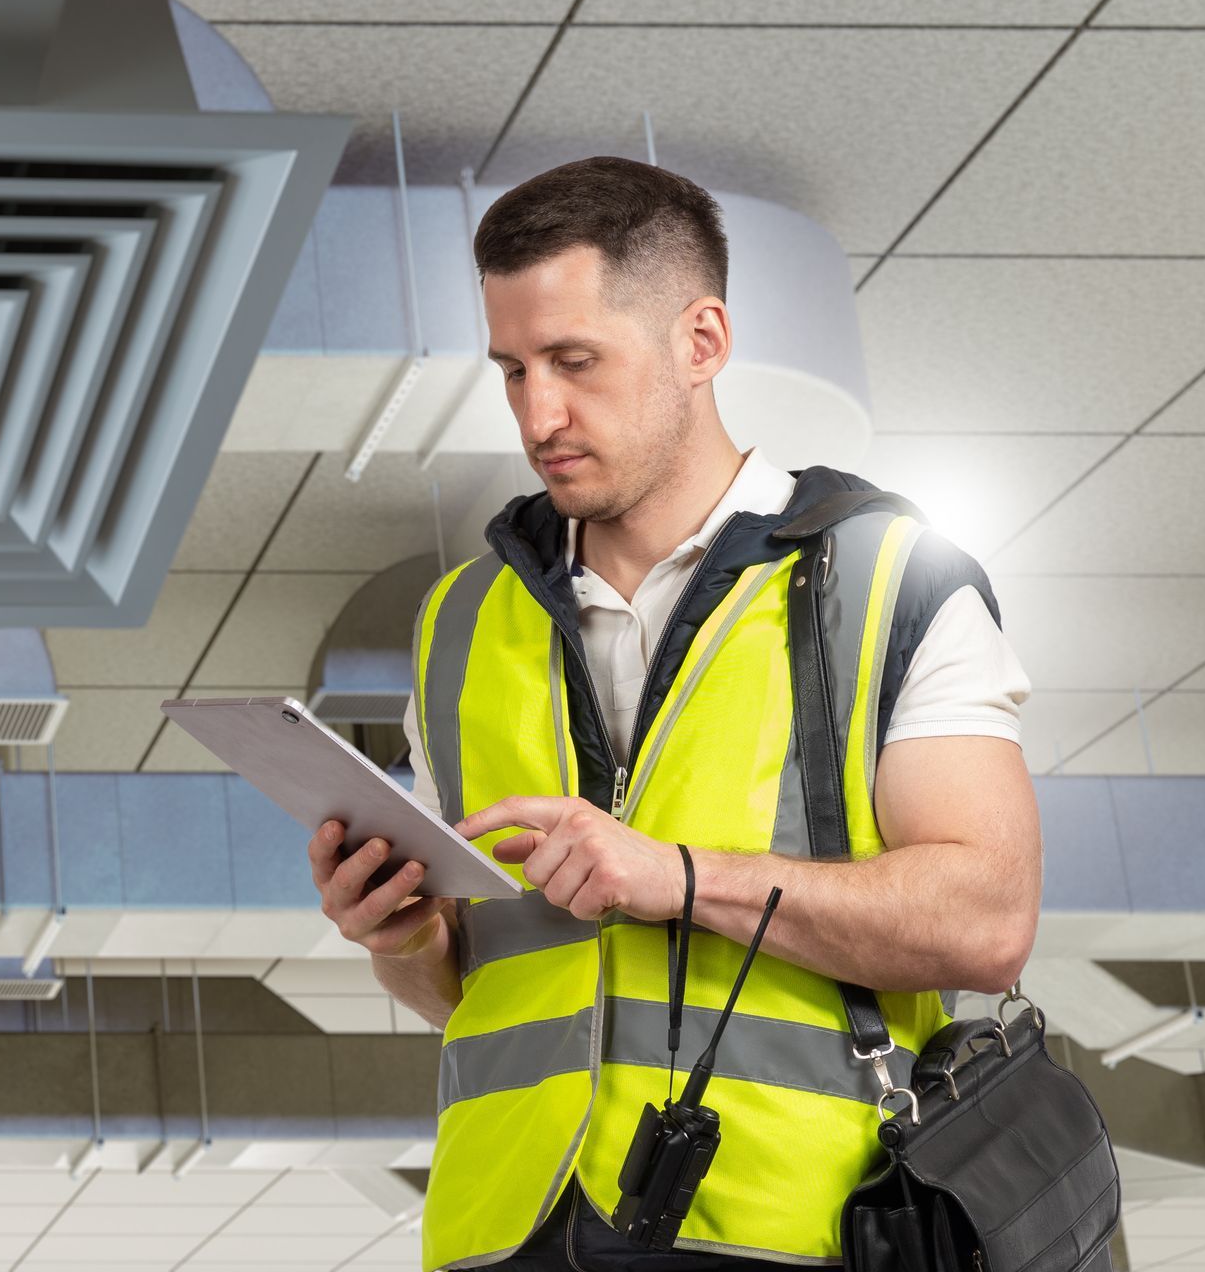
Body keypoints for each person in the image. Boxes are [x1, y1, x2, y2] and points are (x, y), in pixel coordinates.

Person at [304, 157, 1042, 1271]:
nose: (537, 412)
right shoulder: (460, 621)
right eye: (511, 370)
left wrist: (676, 876)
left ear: (701, 342)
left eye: (574, 361)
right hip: (507, 1232)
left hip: (795, 1228)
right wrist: (402, 934)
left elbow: (987, 919)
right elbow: (459, 989)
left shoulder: (891, 576)